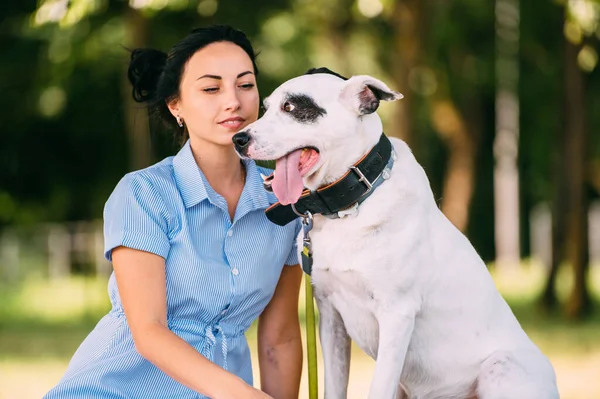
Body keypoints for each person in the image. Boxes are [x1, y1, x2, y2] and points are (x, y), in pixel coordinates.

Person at [43, 25, 303, 399]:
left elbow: (280, 339)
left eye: (245, 85)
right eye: (211, 88)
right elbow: (149, 332)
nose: (233, 101)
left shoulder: (285, 196)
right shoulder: (143, 194)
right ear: (175, 105)